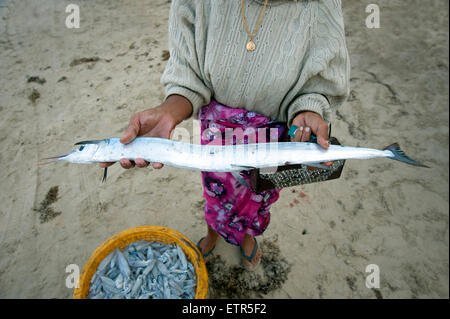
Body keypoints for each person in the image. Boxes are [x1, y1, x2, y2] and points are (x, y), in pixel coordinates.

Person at [100, 0, 350, 270]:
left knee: (258, 196)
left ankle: (245, 236)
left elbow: (320, 81)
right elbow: (188, 70)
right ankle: (214, 232)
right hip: (216, 135)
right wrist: (168, 112)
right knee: (215, 192)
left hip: (273, 141)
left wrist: (309, 108)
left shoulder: (321, 5)